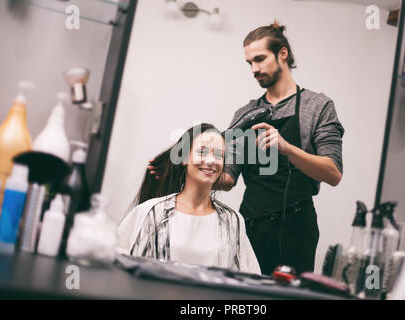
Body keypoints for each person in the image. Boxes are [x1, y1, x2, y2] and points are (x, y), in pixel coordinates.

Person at [148, 21, 345, 276]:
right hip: (250, 226)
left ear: (282, 53)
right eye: (249, 63)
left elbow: (333, 173)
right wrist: (184, 173)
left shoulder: (317, 106)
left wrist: (287, 149)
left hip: (297, 228)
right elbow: (228, 177)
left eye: (260, 59)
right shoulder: (245, 114)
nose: (254, 69)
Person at [117, 123, 261, 275]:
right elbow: (118, 264)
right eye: (202, 152)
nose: (212, 160)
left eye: (219, 155)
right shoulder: (151, 212)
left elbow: (249, 275)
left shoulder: (232, 220)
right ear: (184, 158)